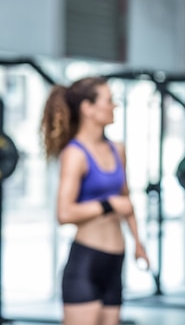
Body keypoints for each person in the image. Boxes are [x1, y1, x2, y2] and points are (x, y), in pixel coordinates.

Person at [40, 76, 149, 325]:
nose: (115, 106)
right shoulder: (75, 154)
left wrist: (138, 242)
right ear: (88, 109)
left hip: (115, 261)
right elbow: (64, 214)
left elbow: (126, 199)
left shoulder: (117, 149)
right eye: (109, 101)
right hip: (86, 262)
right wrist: (107, 205)